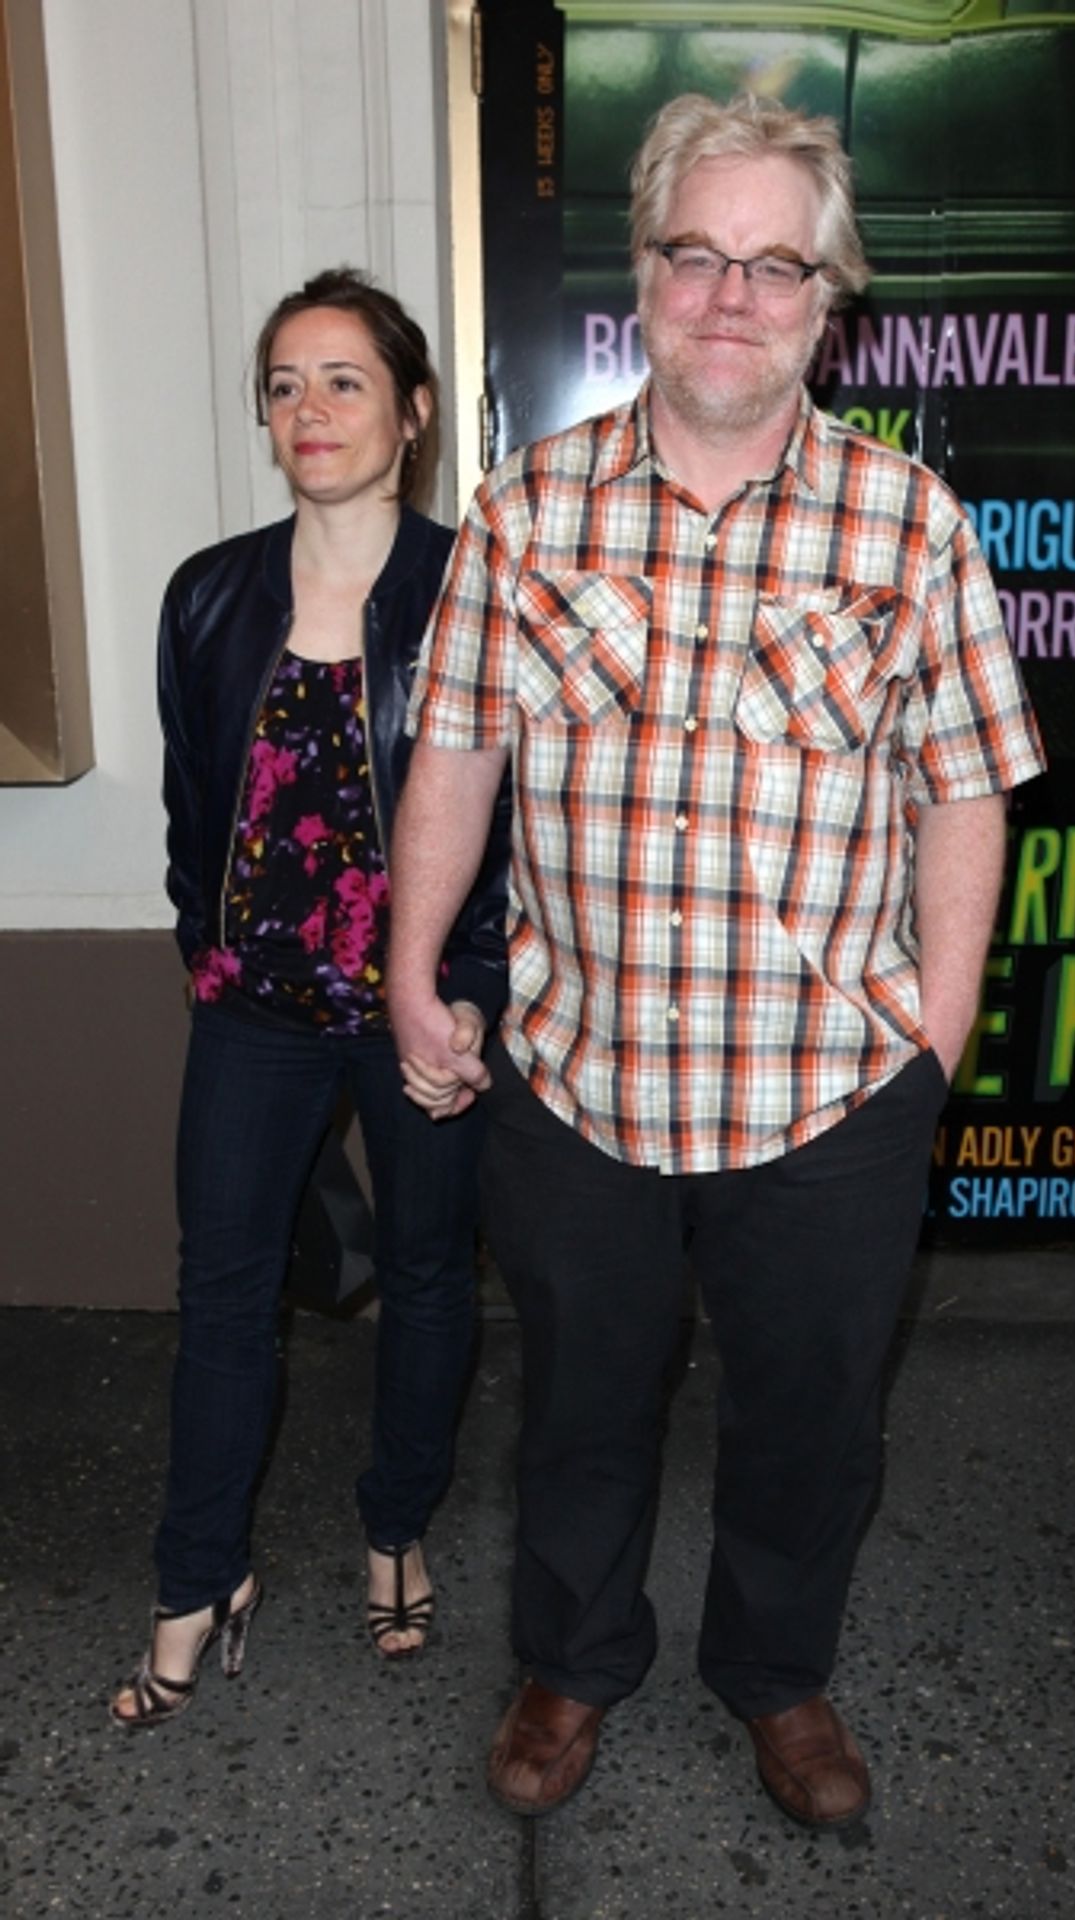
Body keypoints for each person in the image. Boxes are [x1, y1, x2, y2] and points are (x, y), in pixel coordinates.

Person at [387, 94, 1045, 1827]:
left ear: (830, 299)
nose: (732, 296)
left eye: (777, 264)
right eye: (700, 254)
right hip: (579, 1076)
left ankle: (780, 1678)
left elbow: (967, 794)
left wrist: (938, 1042)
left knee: (812, 1427)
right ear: (645, 270)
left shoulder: (910, 526)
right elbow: (452, 755)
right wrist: (407, 966)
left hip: (829, 1091)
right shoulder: (526, 513)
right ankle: (573, 1658)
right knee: (580, 1411)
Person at [110, 268, 508, 1729]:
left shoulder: (476, 591)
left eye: (344, 380)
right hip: (256, 1014)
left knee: (421, 1275)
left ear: (410, 413)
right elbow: (189, 817)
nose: (309, 409)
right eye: (284, 385)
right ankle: (195, 1577)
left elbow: (511, 829)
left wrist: (468, 1000)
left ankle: (394, 1522)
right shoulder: (209, 597)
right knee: (221, 1293)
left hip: (420, 1014)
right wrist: (207, 960)